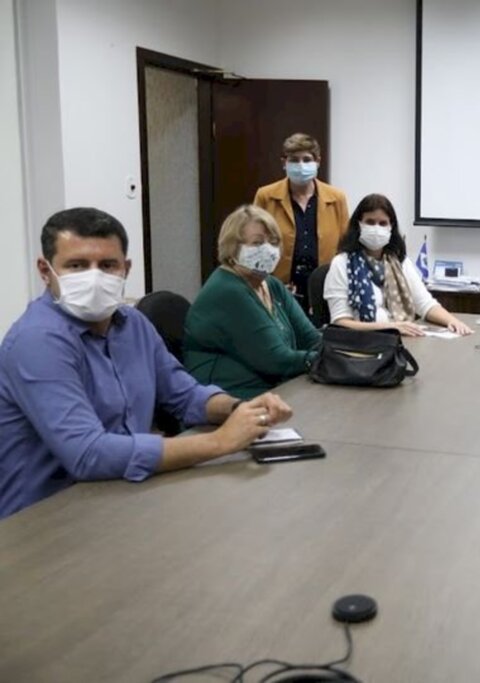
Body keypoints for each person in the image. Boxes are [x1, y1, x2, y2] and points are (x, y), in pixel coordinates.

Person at [0, 208, 293, 518]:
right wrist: (221, 441)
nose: (94, 276)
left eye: (108, 265)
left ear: (126, 268)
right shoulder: (37, 341)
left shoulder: (133, 324)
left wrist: (238, 410)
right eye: (77, 265)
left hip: (121, 496)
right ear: (46, 271)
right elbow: (88, 454)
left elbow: (183, 394)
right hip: (44, 520)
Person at [184, 205, 322, 399]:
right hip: (226, 399)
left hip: (271, 388)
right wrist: (328, 359)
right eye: (257, 243)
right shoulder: (228, 291)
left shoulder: (270, 285)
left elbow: (310, 338)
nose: (268, 250)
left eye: (273, 242)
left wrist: (342, 352)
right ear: (232, 249)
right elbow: (277, 360)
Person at [323, 194, 473, 336]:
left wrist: (452, 321)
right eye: (370, 222)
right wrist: (391, 328)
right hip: (361, 345)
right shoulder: (342, 263)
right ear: (358, 225)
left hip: (401, 341)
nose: (376, 228)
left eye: (383, 223)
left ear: (391, 227)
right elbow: (340, 323)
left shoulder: (398, 261)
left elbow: (425, 304)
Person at [253, 132, 350, 311]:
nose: (301, 165)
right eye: (294, 160)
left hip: (324, 288)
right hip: (280, 287)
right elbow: (255, 245)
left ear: (318, 161)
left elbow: (345, 246)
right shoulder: (266, 196)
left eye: (307, 159)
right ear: (284, 163)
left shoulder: (336, 198)